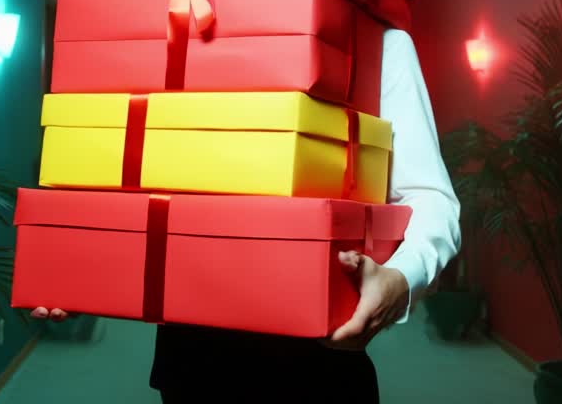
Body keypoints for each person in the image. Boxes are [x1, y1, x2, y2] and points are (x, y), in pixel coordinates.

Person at [31, 28, 462, 403]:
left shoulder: (374, 41)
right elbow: (145, 175)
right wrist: (78, 262)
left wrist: (402, 279)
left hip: (317, 370)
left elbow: (432, 197)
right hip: (188, 362)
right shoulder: (174, 22)